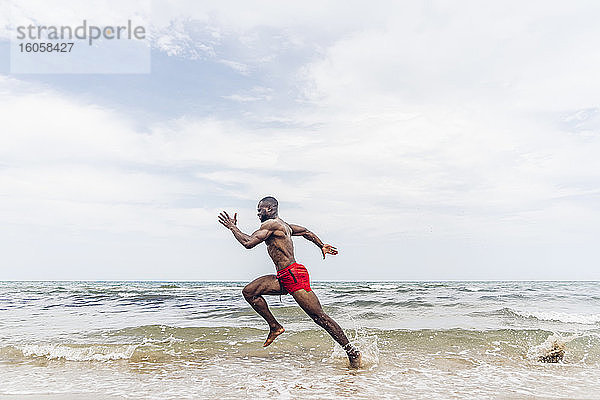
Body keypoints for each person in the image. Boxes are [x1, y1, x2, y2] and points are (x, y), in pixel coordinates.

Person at [218, 196, 361, 368]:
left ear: (270, 209)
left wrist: (232, 227)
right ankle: (275, 326)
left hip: (293, 275)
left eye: (259, 210)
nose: (257, 214)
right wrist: (321, 245)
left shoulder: (270, 225)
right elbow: (306, 232)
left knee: (319, 317)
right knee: (250, 292)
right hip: (283, 277)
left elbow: (248, 243)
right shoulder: (284, 225)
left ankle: (352, 352)